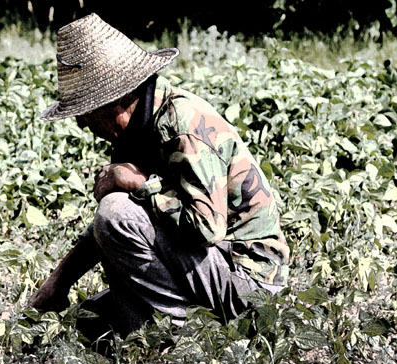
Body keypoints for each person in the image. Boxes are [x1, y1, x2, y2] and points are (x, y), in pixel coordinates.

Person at [29, 13, 289, 337]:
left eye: (84, 115)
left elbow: (207, 229)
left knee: (115, 212)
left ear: (113, 105)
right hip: (211, 268)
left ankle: (178, 336)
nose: (83, 126)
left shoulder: (182, 126)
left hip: (248, 279)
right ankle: (161, 328)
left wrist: (140, 185)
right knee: (89, 322)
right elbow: (112, 228)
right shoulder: (138, 125)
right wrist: (58, 282)